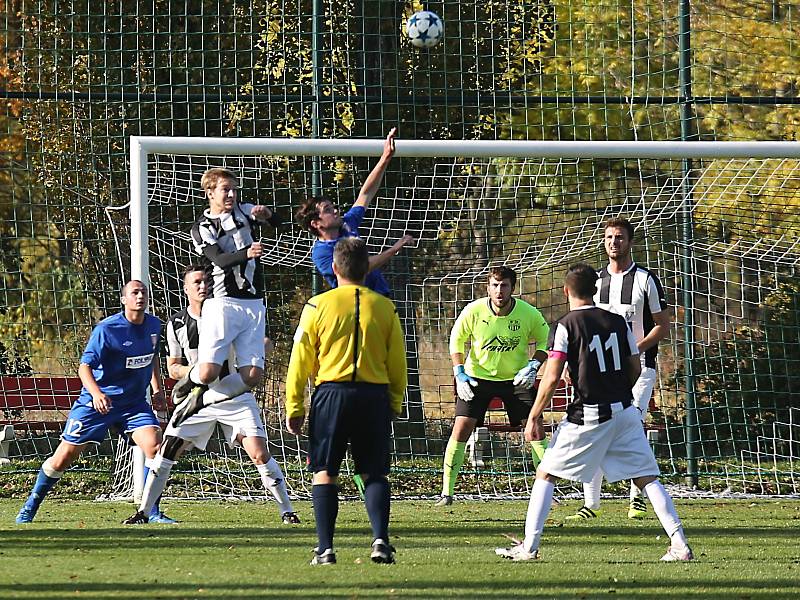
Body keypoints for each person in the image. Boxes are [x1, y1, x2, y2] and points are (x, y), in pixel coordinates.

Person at [495, 263, 692, 562]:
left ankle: (529, 547)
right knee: (647, 478)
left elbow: (551, 377)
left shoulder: (566, 325)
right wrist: (617, 390)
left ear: (565, 291)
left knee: (545, 474)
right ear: (596, 290)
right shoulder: (617, 321)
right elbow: (635, 367)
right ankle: (679, 545)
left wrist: (534, 416)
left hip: (588, 414)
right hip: (625, 412)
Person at [123, 265, 299, 525]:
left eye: (206, 281)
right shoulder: (177, 323)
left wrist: (258, 353)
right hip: (198, 396)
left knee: (259, 452)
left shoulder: (229, 314)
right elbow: (172, 367)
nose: (203, 286)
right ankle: (144, 512)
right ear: (185, 288)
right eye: (196, 282)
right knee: (168, 450)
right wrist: (197, 370)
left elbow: (263, 342)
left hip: (233, 394)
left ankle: (287, 510)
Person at [285, 237, 407, 565]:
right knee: (374, 473)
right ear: (366, 268)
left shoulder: (317, 306)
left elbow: (300, 359)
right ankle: (380, 541)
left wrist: (294, 406)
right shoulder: (385, 306)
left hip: (331, 396)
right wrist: (395, 400)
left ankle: (325, 549)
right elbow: (398, 360)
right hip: (373, 396)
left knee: (324, 471)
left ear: (335, 268)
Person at [16, 280, 170, 524]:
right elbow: (84, 367)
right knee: (64, 457)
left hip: (133, 405)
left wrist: (158, 389)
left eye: (143, 292)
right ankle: (31, 504)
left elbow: (151, 358)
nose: (140, 296)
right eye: (134, 293)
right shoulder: (107, 329)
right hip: (98, 403)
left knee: (155, 446)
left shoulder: (154, 325)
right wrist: (97, 394)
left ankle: (151, 512)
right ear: (124, 299)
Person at [566, 217, 672, 521]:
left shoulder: (645, 280)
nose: (615, 242)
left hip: (639, 370)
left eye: (620, 237)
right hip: (599, 372)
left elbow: (663, 325)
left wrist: (632, 351)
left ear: (630, 242)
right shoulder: (596, 283)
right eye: (610, 237)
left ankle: (636, 497)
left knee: (632, 428)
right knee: (594, 430)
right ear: (604, 242)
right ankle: (591, 504)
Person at [170, 167, 284, 420]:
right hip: (222, 303)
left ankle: (202, 401)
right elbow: (219, 260)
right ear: (210, 192)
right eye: (225, 189)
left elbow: (280, 225)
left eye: (234, 189)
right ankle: (191, 381)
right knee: (209, 372)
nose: (232, 194)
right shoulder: (202, 227)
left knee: (252, 377)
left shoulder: (244, 211)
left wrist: (269, 215)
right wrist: (247, 253)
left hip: (253, 302)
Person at [436, 266, 550, 507]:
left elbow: (545, 340)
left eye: (505, 285)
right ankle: (447, 493)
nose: (499, 290)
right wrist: (459, 372)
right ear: (488, 287)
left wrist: (533, 365)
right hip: (478, 379)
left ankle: (545, 490)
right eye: (495, 285)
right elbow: (456, 340)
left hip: (516, 380)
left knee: (535, 428)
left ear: (513, 288)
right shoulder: (473, 311)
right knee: (461, 428)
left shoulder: (528, 313)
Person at [295, 127, 413, 298]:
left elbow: (365, 194)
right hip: (354, 304)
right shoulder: (321, 253)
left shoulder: (346, 224)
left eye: (333, 206)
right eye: (328, 210)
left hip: (380, 297)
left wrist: (385, 158)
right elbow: (360, 268)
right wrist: (394, 249)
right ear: (316, 223)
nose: (335, 211)